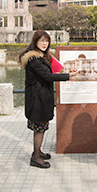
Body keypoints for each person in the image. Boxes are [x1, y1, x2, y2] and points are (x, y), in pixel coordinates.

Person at [18, 30, 78, 169]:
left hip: (41, 97)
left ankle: (38, 151)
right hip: (37, 99)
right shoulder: (34, 59)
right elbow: (48, 76)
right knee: (39, 128)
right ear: (35, 42)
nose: (45, 43)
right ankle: (36, 157)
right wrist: (69, 76)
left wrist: (64, 72)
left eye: (47, 41)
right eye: (42, 41)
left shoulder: (42, 57)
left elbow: (51, 72)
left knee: (42, 126)